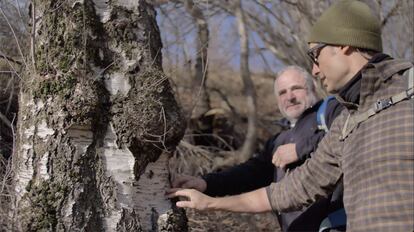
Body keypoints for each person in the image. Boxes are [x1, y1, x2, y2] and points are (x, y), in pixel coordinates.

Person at [167, 1, 414, 231]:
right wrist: (208, 194)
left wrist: (302, 148)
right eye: (282, 92)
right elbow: (286, 189)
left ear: (343, 44)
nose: (315, 69)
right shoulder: (348, 121)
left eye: (315, 55)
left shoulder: (338, 111)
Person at [171, 65, 344, 231]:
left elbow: (349, 133)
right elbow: (250, 173)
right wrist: (206, 183)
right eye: (282, 92)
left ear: (312, 88)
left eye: (296, 88)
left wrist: (301, 148)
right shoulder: (278, 139)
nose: (289, 97)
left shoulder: (331, 110)